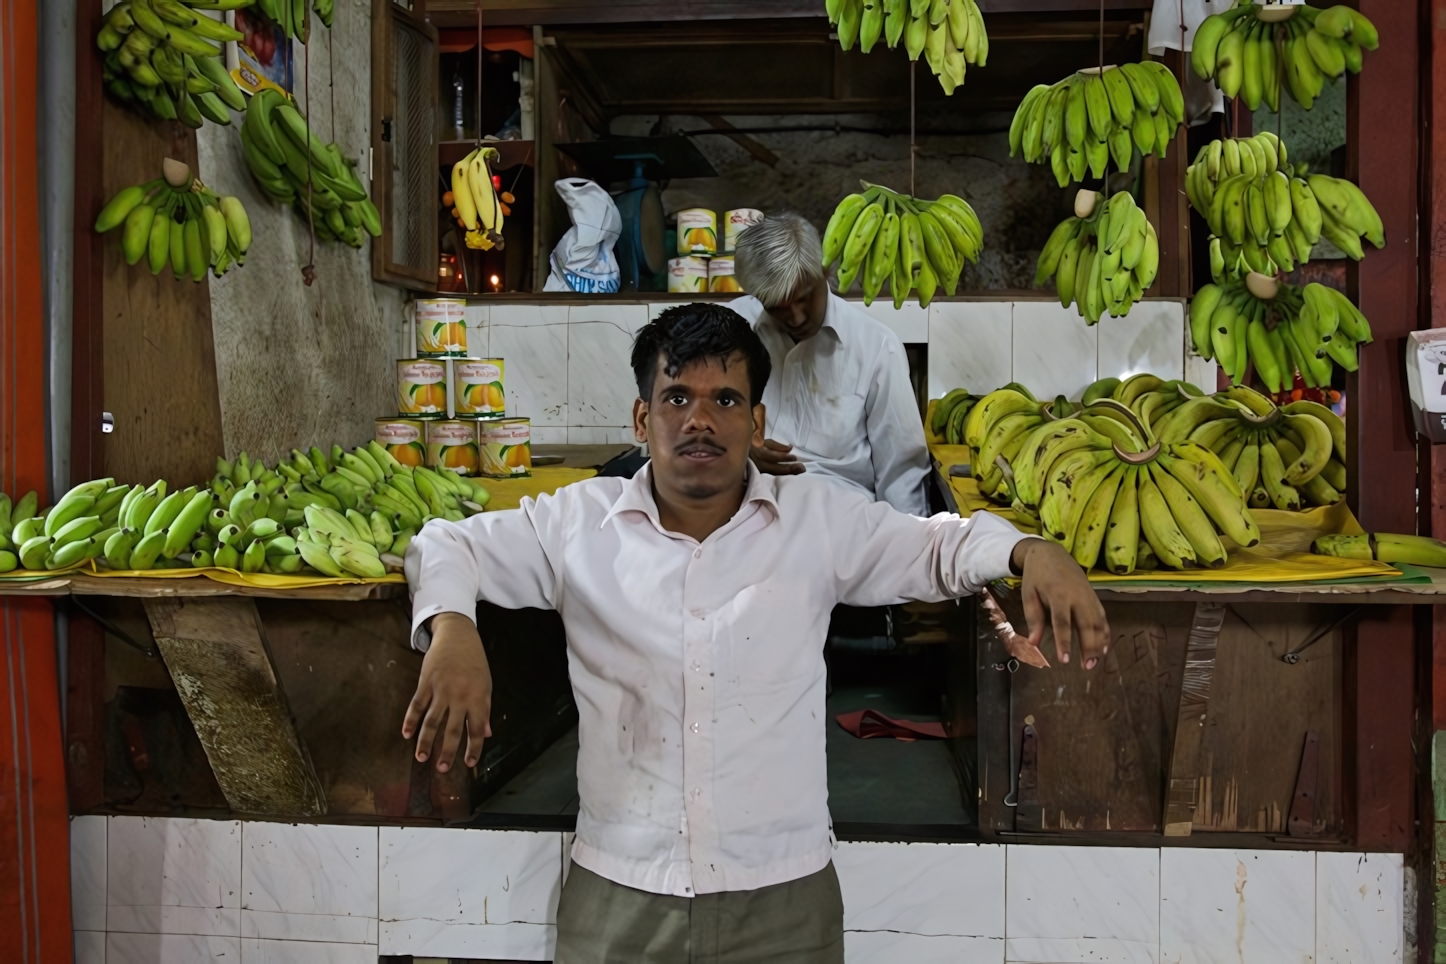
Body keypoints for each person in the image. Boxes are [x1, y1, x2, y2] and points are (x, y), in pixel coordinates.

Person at [402, 304, 1108, 963]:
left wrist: (1029, 551)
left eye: (725, 400)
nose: (699, 420)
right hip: (619, 894)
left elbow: (935, 547)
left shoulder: (815, 522)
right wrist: (454, 630)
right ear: (642, 417)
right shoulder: (578, 524)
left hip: (784, 900)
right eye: (677, 397)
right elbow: (443, 544)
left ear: (757, 421)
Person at [729, 212, 931, 516]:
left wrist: (913, 549)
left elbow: (902, 471)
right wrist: (738, 452)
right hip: (749, 514)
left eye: (804, 298)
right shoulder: (730, 331)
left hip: (843, 522)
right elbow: (694, 424)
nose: (796, 318)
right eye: (777, 308)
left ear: (825, 272)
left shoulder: (877, 346)